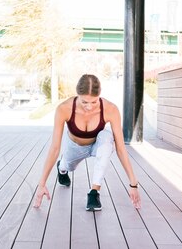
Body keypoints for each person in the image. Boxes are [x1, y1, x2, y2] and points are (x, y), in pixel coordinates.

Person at [33, 74, 141, 211]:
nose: (89, 107)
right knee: (68, 165)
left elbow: (120, 148)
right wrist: (41, 184)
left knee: (107, 137)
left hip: (97, 145)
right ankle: (62, 167)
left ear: (99, 96)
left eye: (94, 102)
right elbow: (55, 148)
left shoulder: (110, 109)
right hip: (75, 147)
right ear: (77, 95)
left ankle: (94, 193)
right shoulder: (64, 109)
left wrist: (133, 184)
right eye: (84, 102)